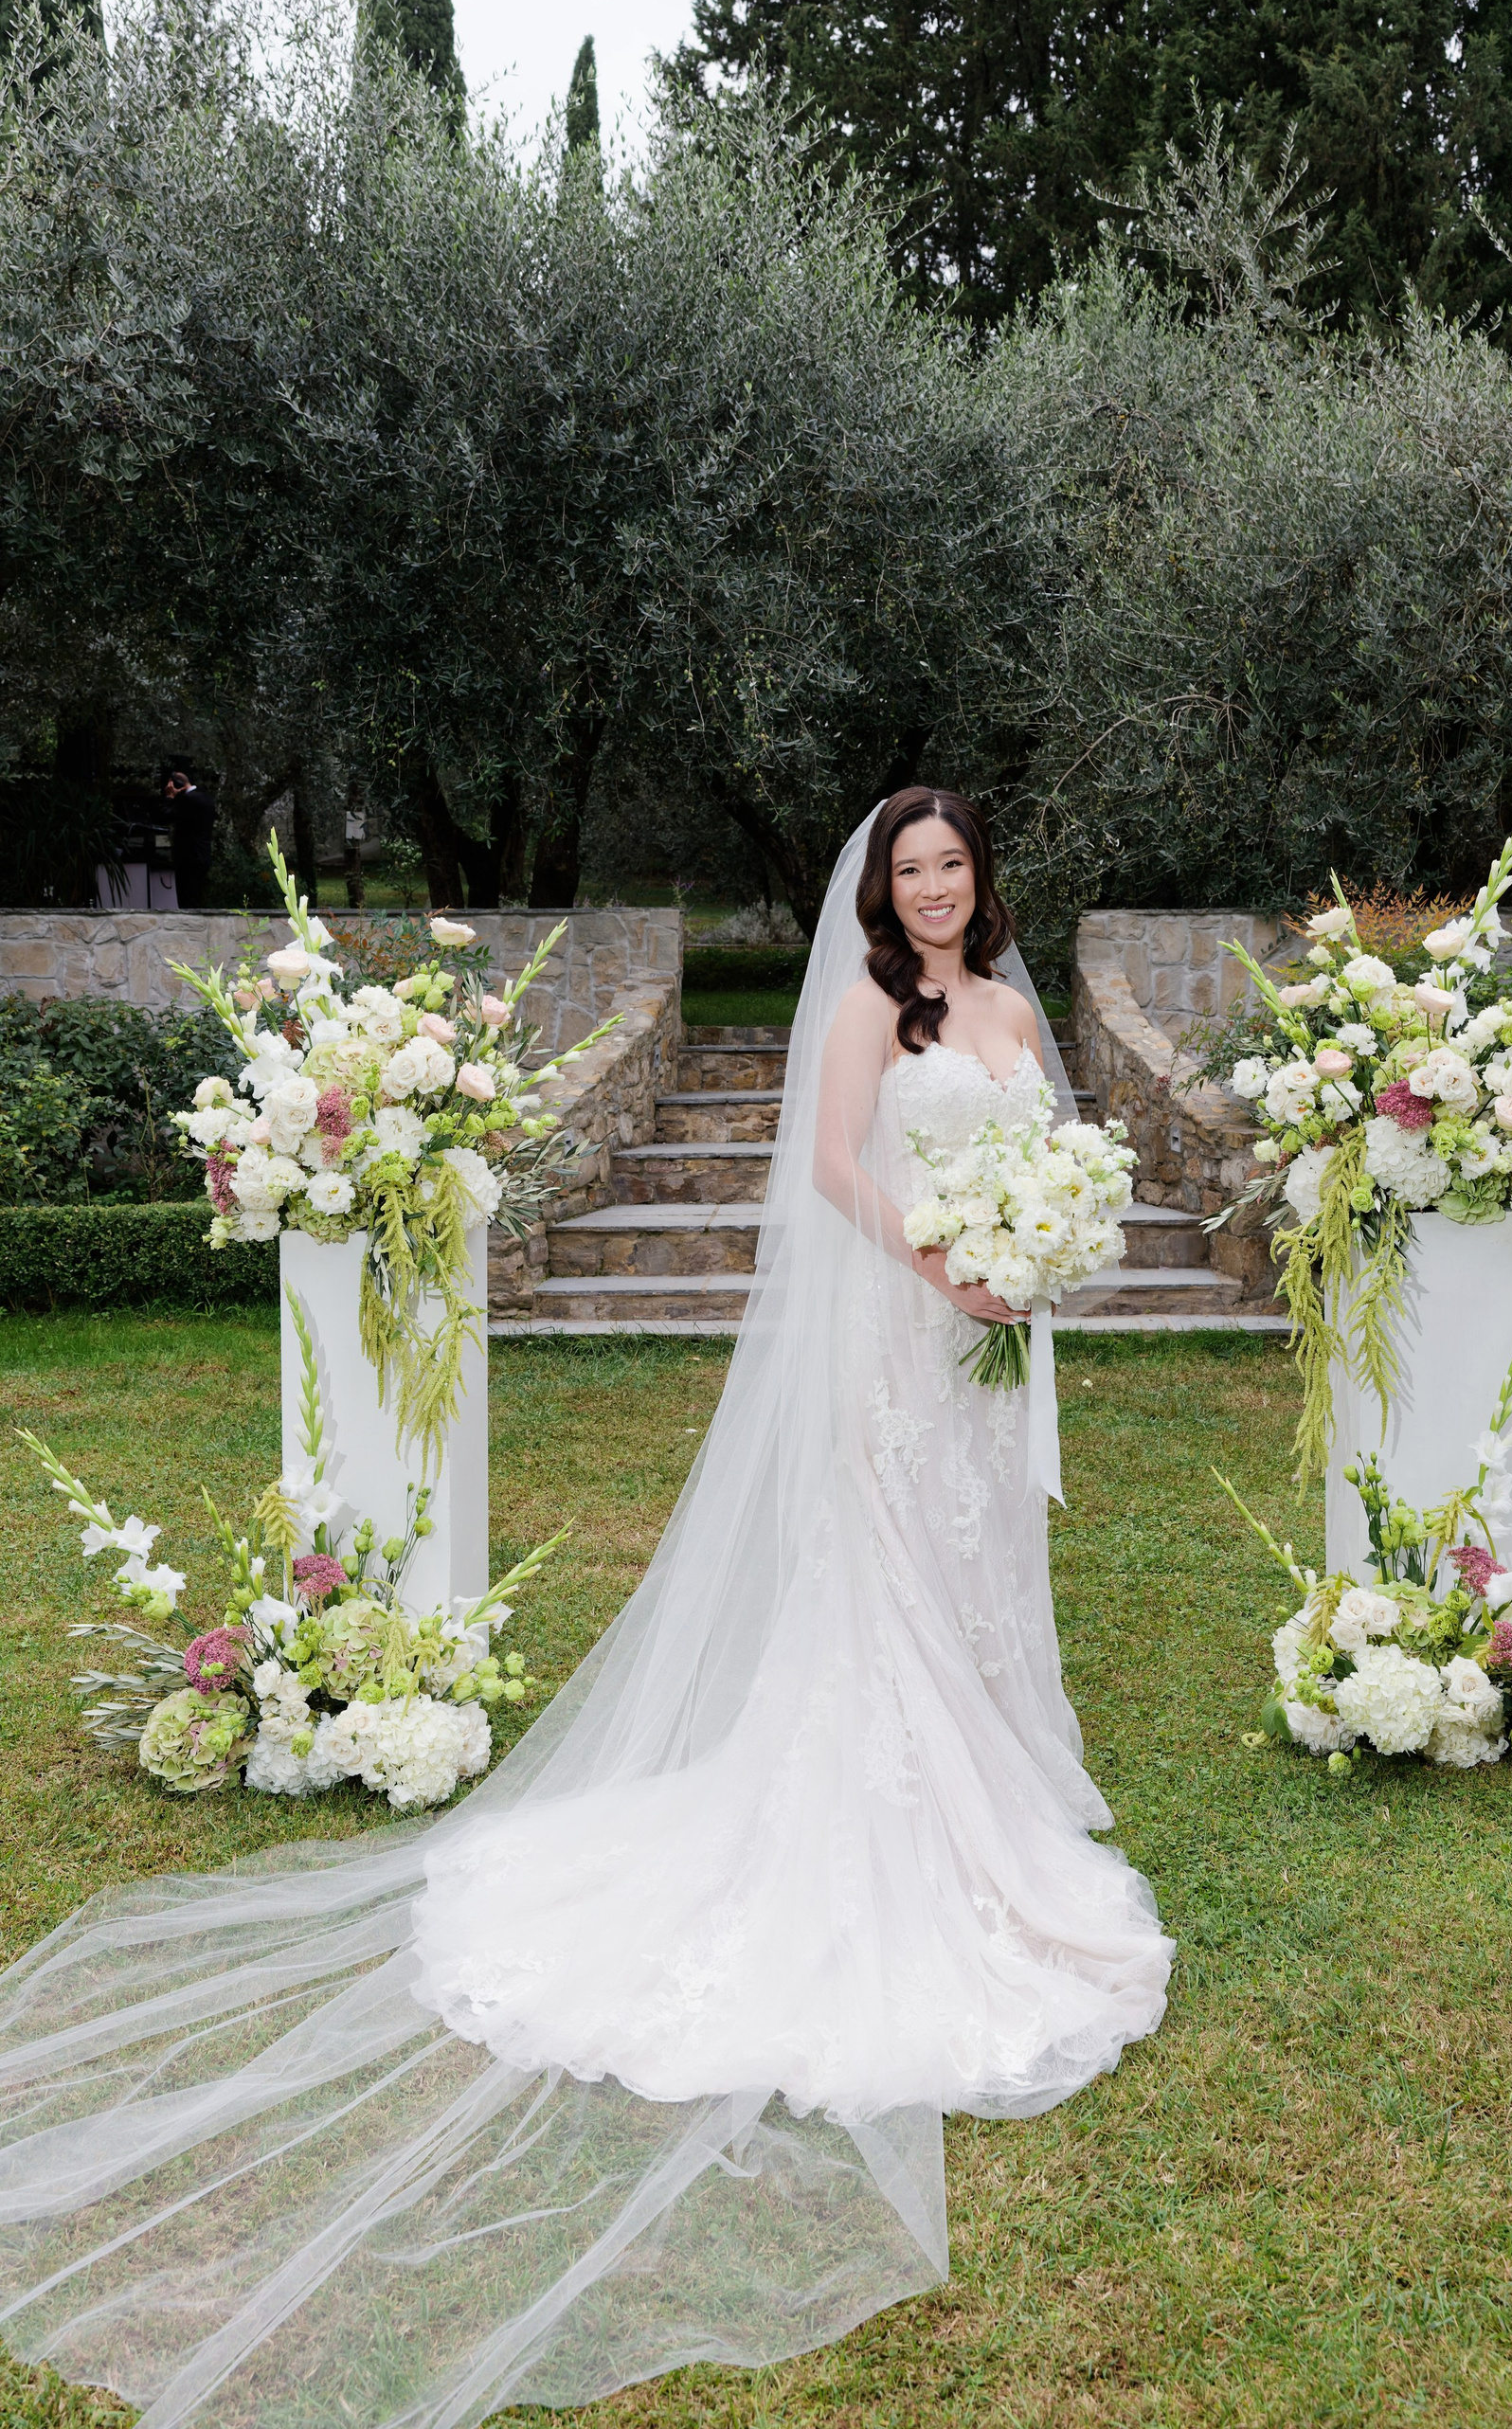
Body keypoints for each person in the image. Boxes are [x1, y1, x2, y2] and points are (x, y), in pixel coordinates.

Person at [0, 791, 1171, 2428]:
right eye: (909, 869)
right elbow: (834, 1171)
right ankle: (909, 1828)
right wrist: (943, 1267)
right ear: (883, 891)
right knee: (891, 1582)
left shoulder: (1012, 1014)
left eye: (950, 866)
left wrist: (1037, 1259)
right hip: (898, 1339)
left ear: (982, 880)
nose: (930, 889)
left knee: (975, 1576)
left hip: (985, 1346)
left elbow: (1052, 1164)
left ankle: (993, 1798)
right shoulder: (862, 1008)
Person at [160, 763, 216, 909]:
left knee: (186, 902)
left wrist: (169, 797)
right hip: (203, 855)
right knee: (196, 898)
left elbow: (165, 816)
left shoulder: (188, 800)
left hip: (188, 857)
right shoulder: (206, 798)